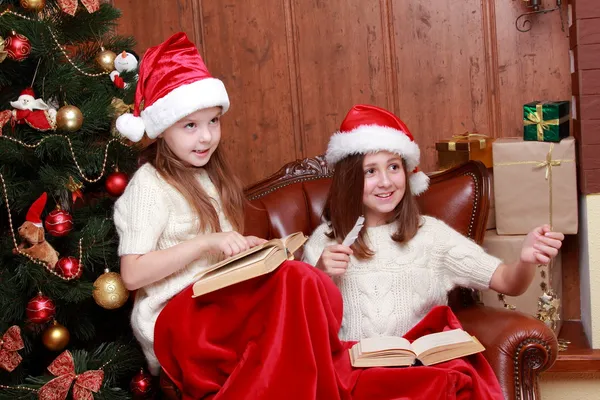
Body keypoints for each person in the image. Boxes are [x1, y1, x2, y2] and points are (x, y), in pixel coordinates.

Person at [302, 104, 564, 343]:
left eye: (393, 167)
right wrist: (320, 275)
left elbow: (509, 282)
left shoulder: (430, 235)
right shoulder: (325, 242)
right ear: (350, 180)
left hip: (422, 372)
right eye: (370, 171)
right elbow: (299, 324)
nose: (385, 181)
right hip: (354, 376)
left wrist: (527, 260)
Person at [113, 32, 266, 375]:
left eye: (214, 121)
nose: (207, 136)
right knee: (292, 290)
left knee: (295, 281)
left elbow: (214, 260)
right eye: (191, 125)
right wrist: (205, 243)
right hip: (176, 320)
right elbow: (133, 274)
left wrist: (243, 252)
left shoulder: (210, 175)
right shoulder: (149, 185)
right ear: (163, 128)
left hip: (216, 303)